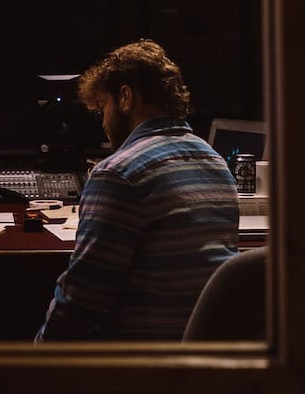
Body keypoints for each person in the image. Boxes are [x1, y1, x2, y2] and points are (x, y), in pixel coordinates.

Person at [35, 38, 240, 342]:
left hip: (138, 363)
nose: (103, 123)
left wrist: (39, 359)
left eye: (103, 107)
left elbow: (82, 301)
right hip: (202, 358)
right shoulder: (214, 161)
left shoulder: (118, 173)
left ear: (126, 97)